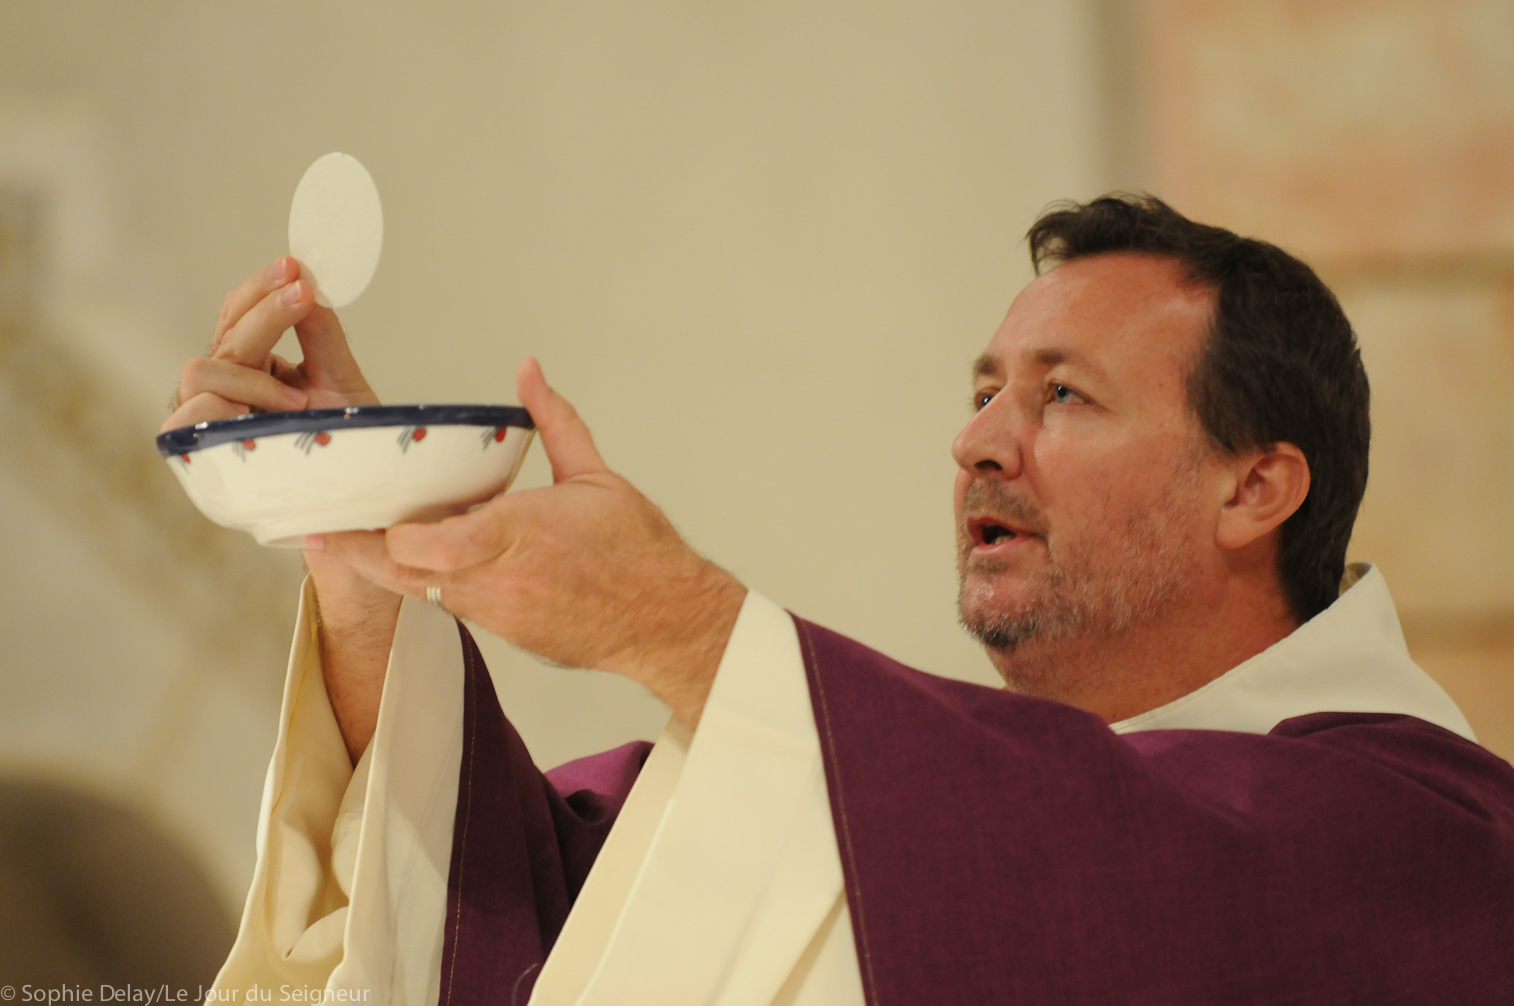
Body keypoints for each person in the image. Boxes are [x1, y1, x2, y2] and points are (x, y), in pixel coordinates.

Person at [165, 195, 1514, 1005]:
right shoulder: (935, 803)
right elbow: (524, 917)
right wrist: (365, 549)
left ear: (1255, 486)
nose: (976, 442)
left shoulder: (1424, 848)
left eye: (1062, 394)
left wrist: (679, 624)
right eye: (981, 390)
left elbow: (1132, 879)